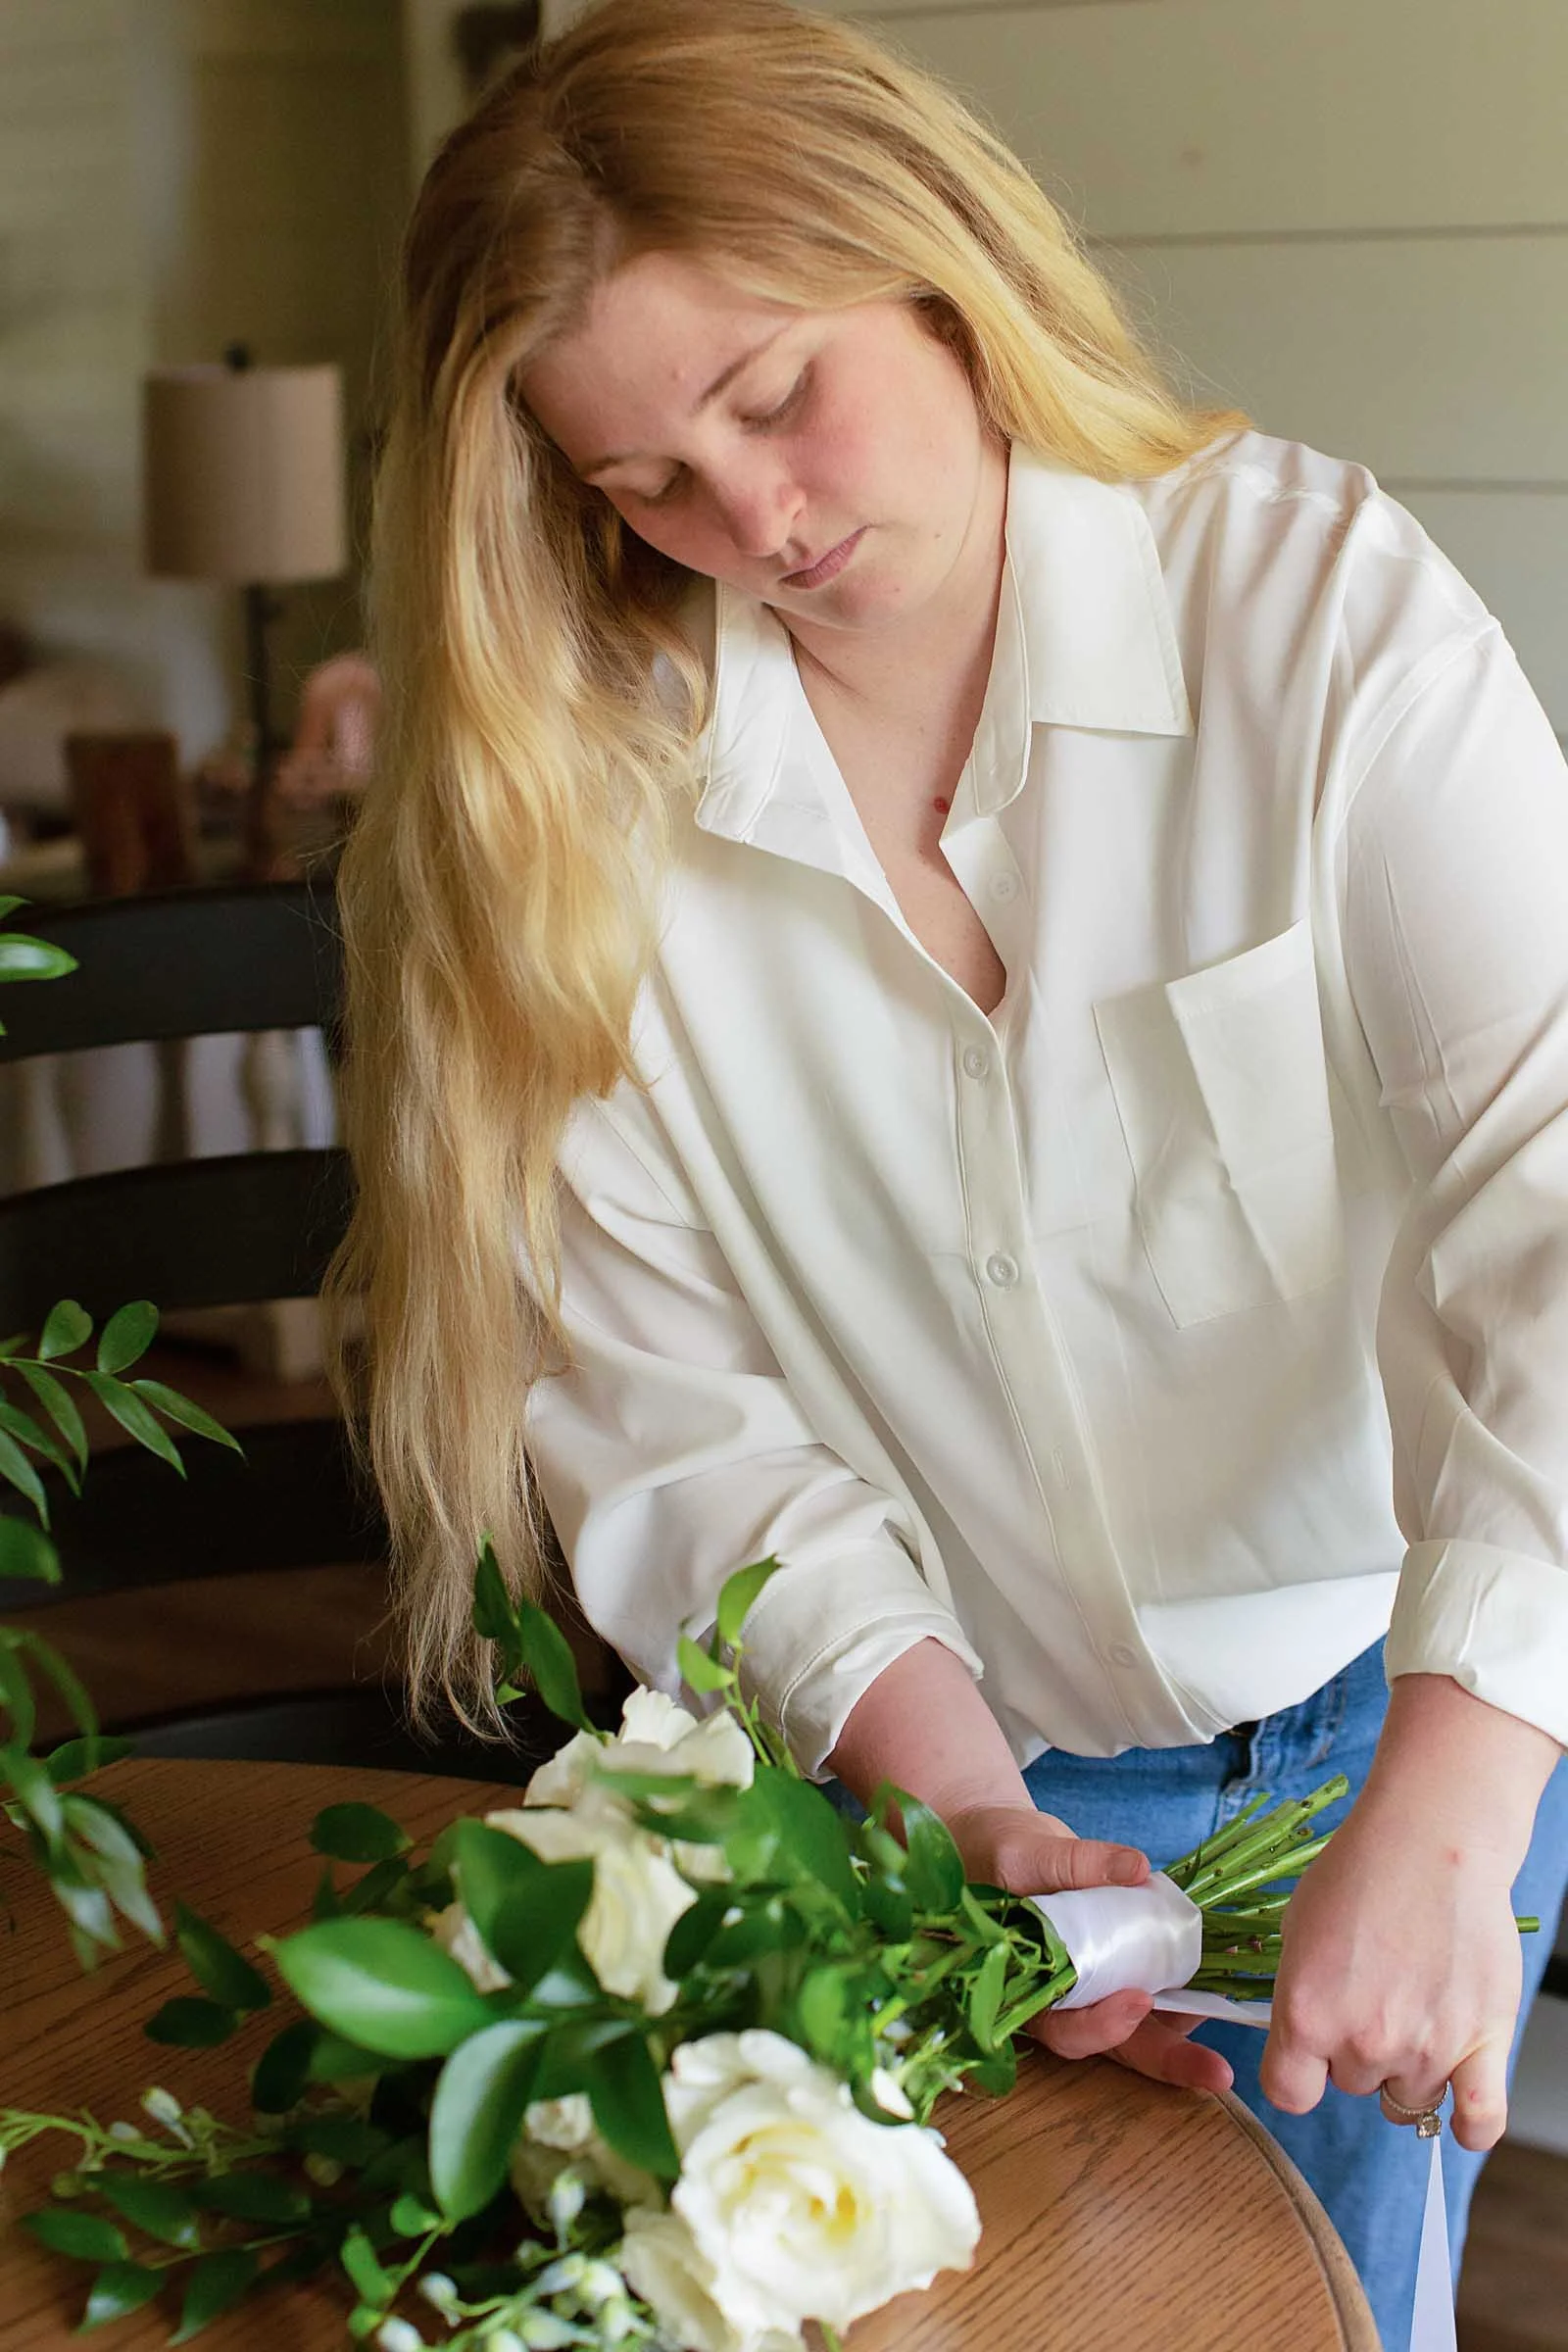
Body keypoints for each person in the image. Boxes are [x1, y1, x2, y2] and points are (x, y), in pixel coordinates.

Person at [330, 3, 1568, 2342]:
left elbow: (1555, 1199)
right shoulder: (571, 802)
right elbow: (681, 1421)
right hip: (899, 1765)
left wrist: (1451, 1801)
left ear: (935, 262)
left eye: (776, 394)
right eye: (636, 482)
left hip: (1370, 1723)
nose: (752, 525)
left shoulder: (1309, 616)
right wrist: (962, 1806)